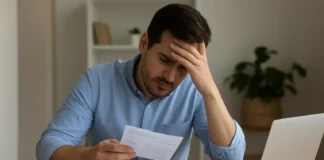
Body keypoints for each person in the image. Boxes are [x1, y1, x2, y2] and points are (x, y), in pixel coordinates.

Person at [36, 3, 246, 160]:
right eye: (165, 60)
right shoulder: (97, 81)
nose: (170, 77)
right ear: (144, 43)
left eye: (184, 67)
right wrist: (87, 156)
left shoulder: (195, 90)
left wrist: (210, 91)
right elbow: (49, 144)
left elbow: (231, 156)